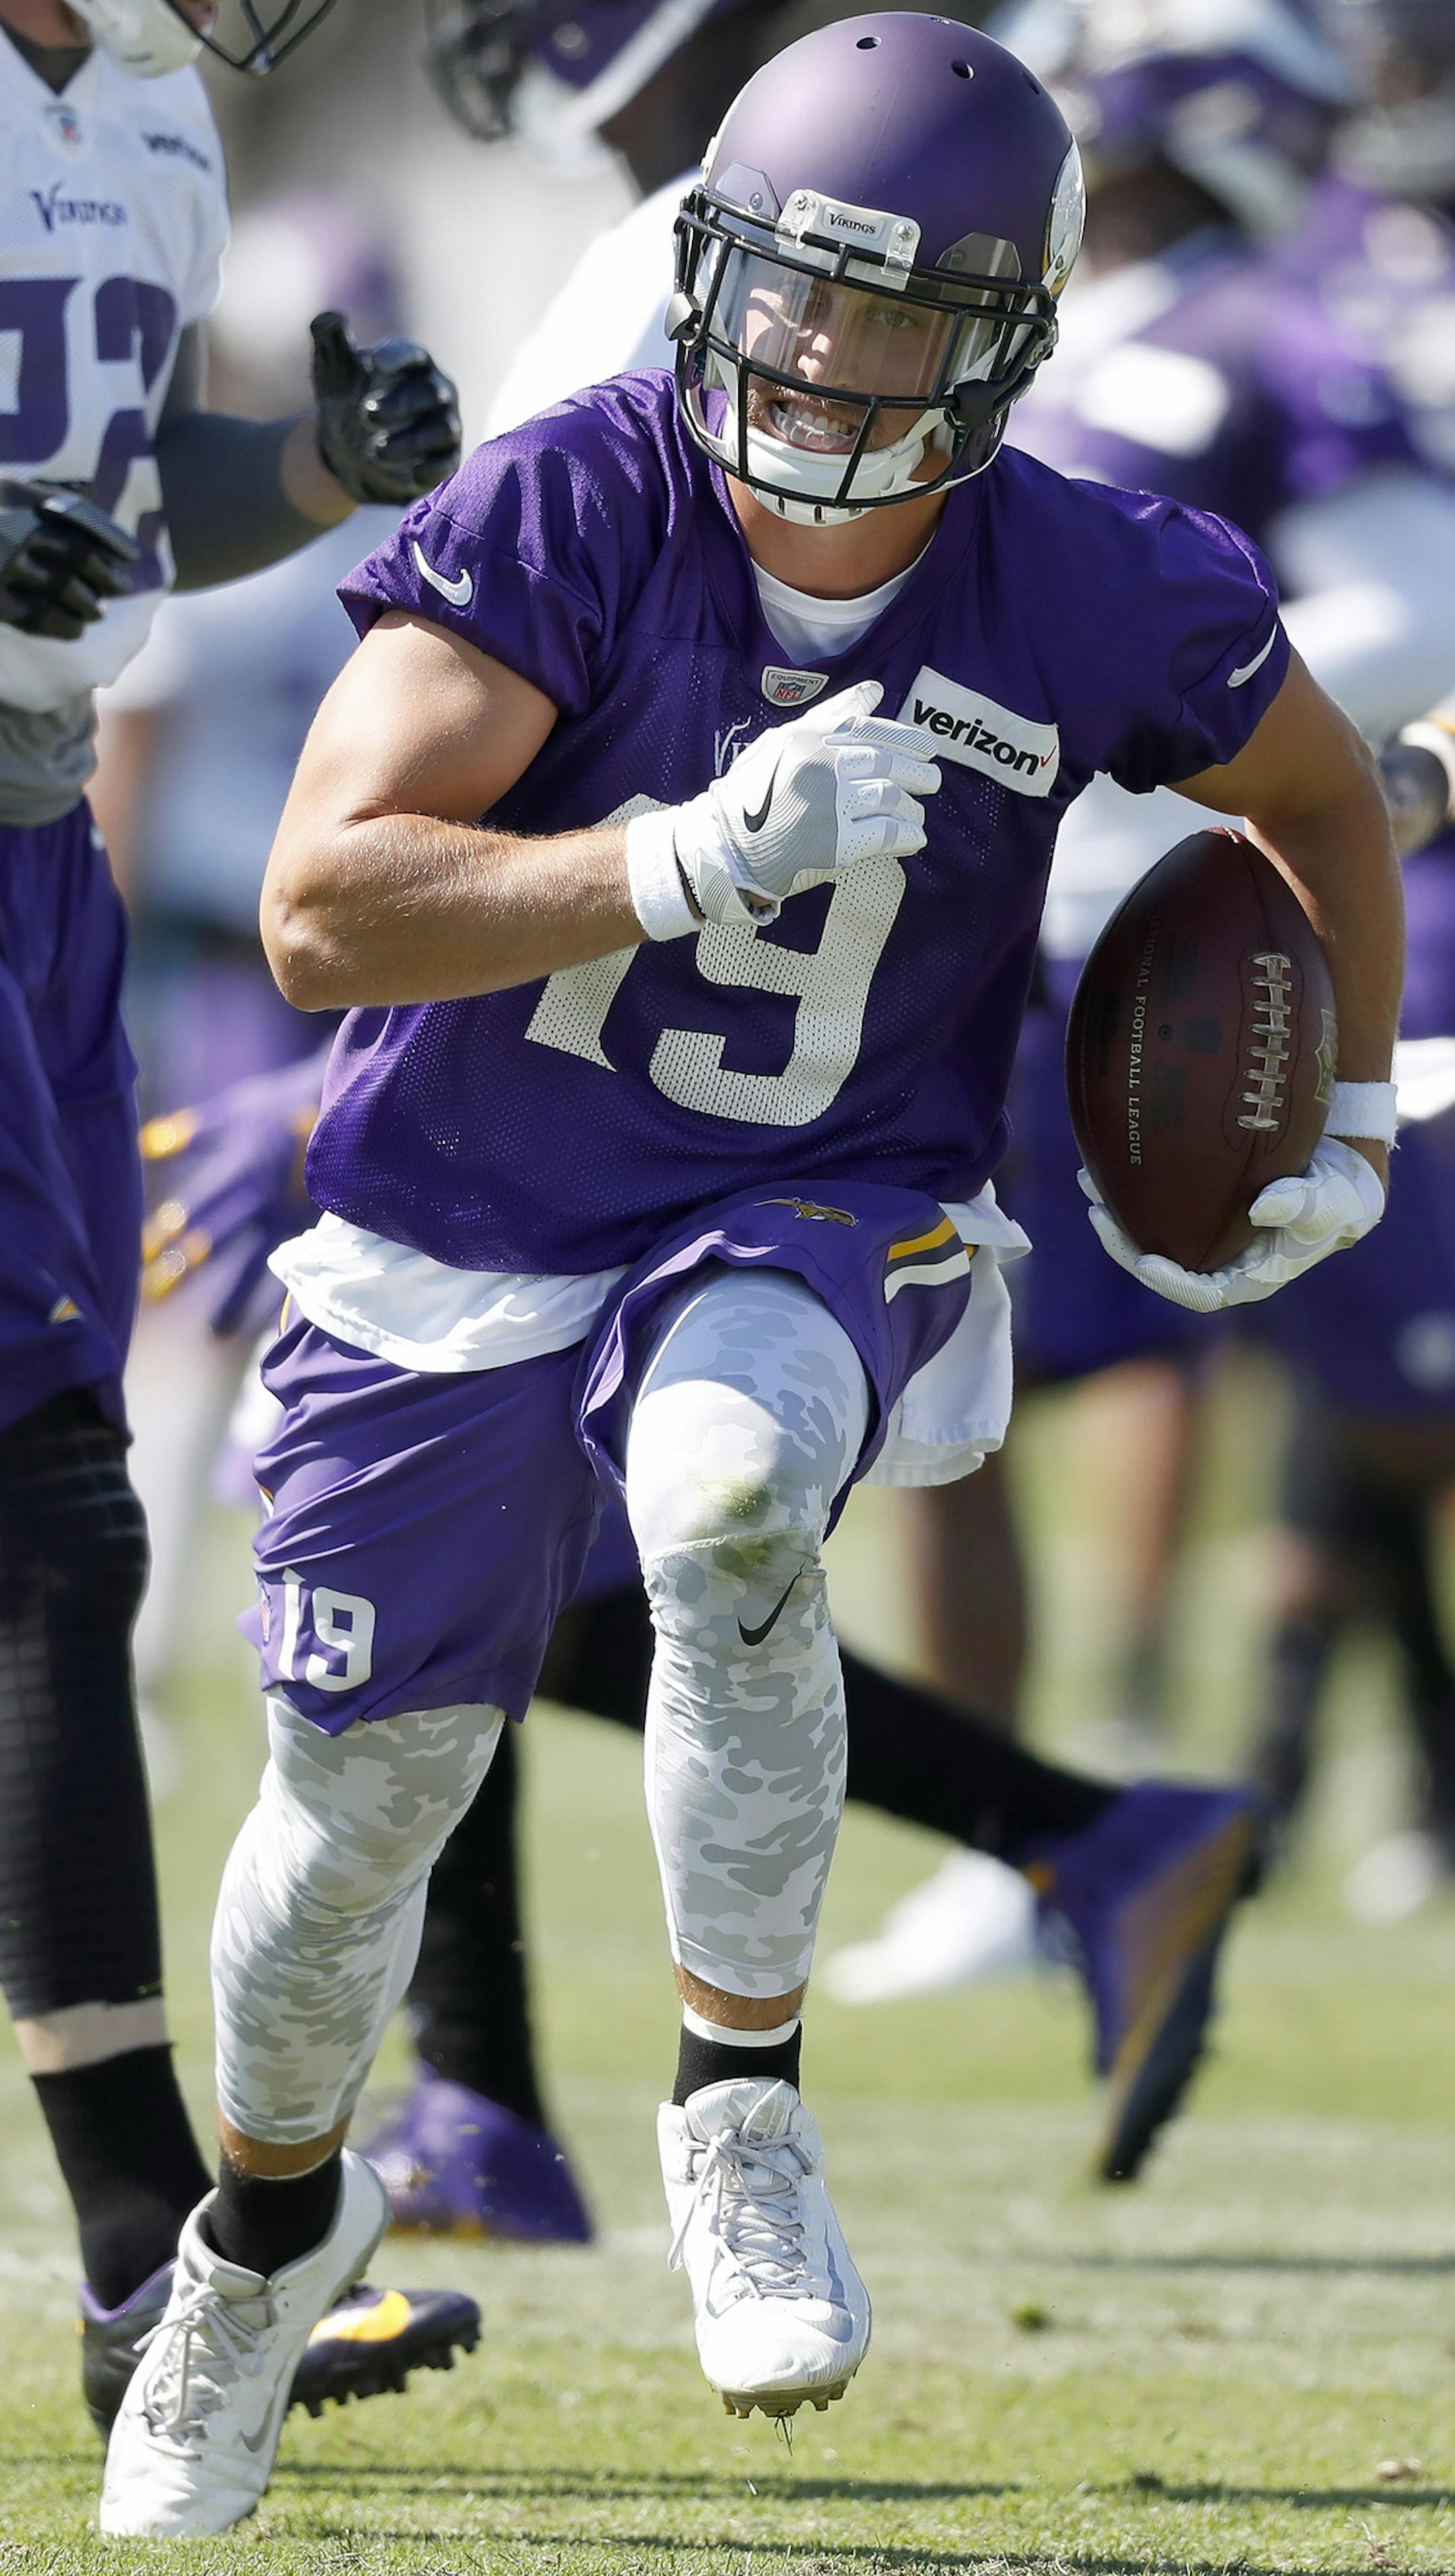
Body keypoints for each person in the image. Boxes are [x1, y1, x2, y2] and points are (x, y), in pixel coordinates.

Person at [101, 12, 1402, 2533]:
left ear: (1002, 342)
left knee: (721, 1494)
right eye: (790, 295)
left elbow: (1325, 791)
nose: (815, 360)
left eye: (888, 320)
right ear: (712, 272)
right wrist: (673, 860)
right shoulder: (574, 504)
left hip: (824, 1192)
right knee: (345, 1838)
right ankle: (263, 2253)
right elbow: (316, 906)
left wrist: (1334, 1101)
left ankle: (739, 2107)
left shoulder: (1105, 577)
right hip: (466, 1210)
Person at [0, 0, 477, 2437]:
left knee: (48, 1518)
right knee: (52, 1532)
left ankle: (137, 2265)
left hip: (33, 826)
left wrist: (306, 461)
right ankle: (143, 2263)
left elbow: (113, 484)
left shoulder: (154, 103)